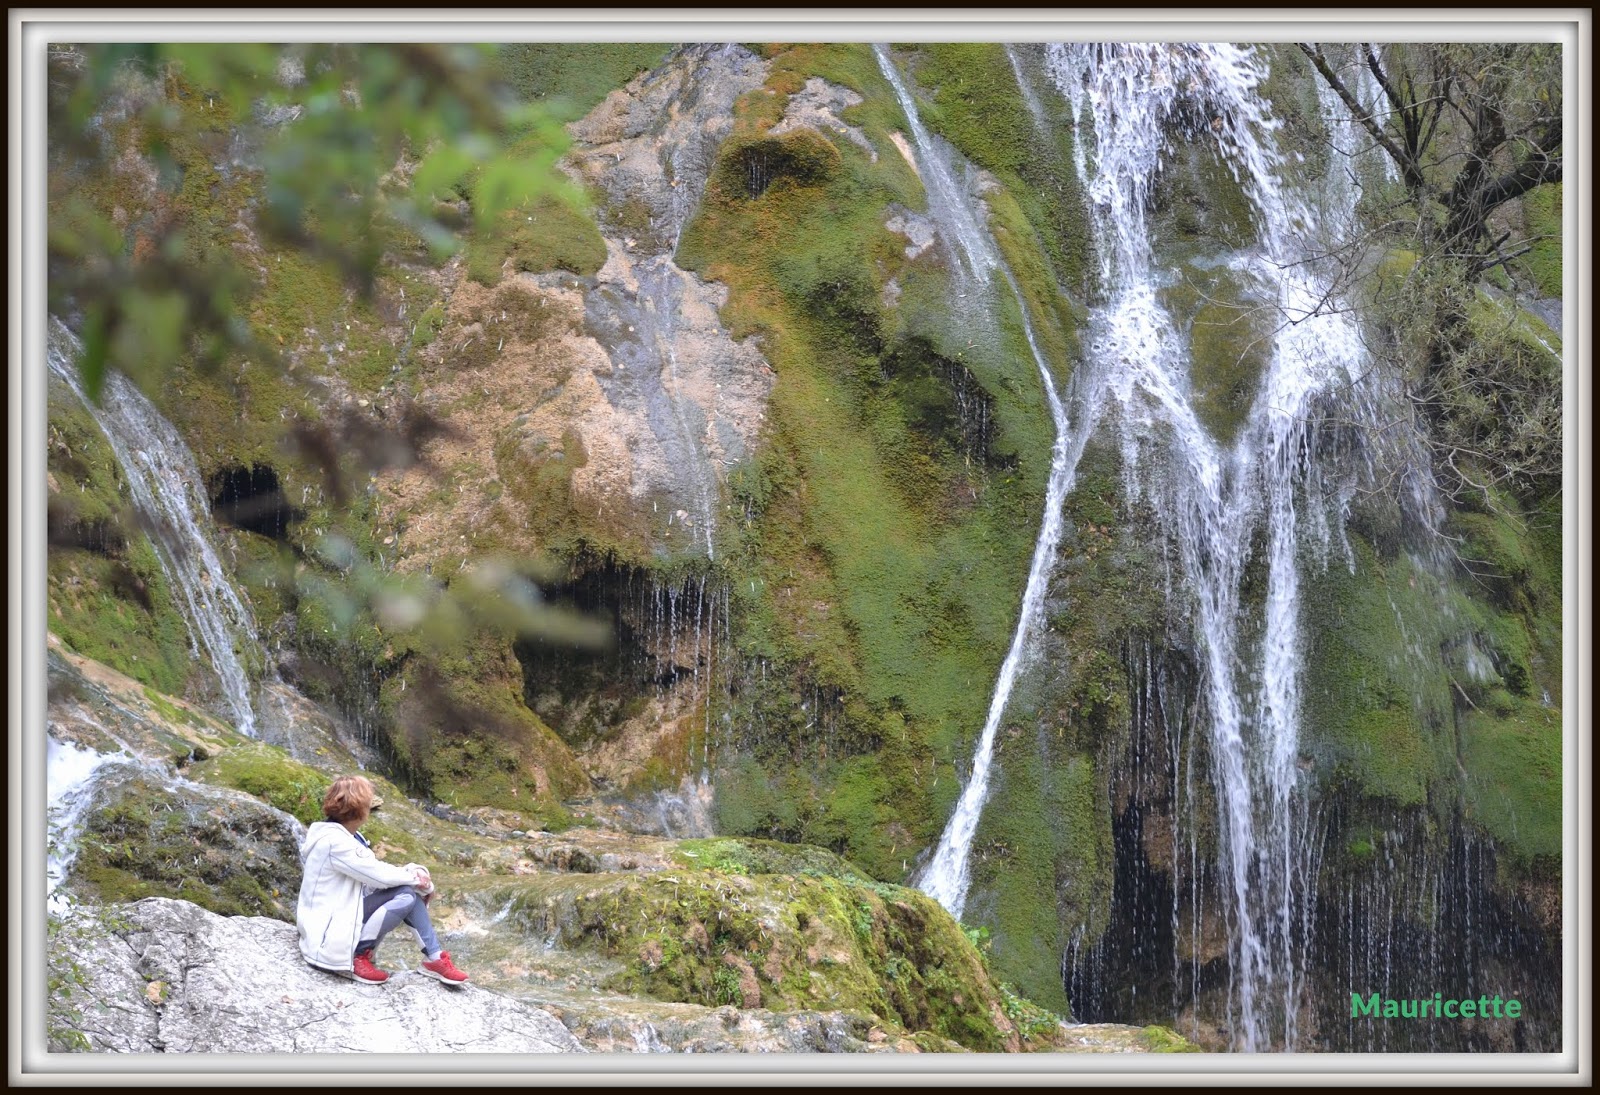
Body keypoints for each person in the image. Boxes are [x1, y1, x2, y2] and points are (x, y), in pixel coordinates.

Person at [296, 774, 470, 986]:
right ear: (360, 810)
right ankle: (357, 957)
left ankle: (434, 959)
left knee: (407, 892)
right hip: (325, 937)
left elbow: (372, 872)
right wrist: (417, 878)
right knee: (406, 895)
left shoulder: (343, 837)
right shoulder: (335, 843)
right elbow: (378, 876)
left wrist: (412, 872)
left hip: (336, 917)